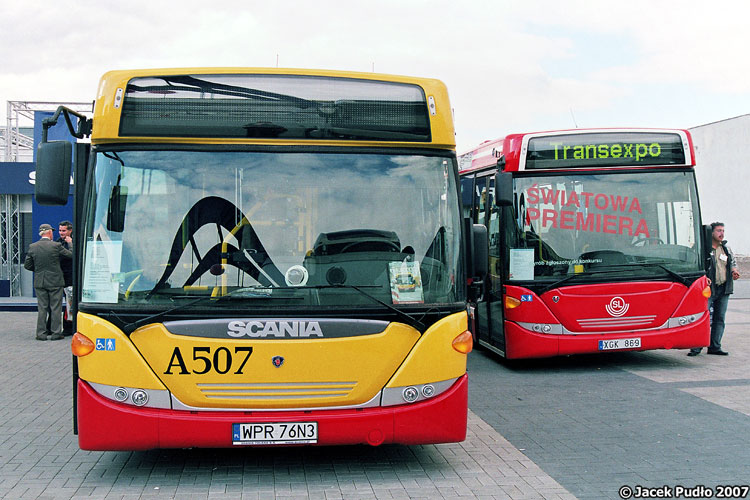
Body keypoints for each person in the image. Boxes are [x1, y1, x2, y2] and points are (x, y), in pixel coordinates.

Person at [689, 222, 740, 356]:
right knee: (703, 318)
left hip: (723, 288)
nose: (721, 234)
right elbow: (695, 265)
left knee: (720, 318)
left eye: (723, 231)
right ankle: (696, 347)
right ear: (711, 233)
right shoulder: (703, 248)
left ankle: (715, 346)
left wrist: (734, 271)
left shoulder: (726, 248)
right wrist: (703, 277)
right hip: (708, 289)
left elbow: (733, 263)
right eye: (718, 231)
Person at [23, 223, 72, 341]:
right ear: (49, 232)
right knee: (55, 308)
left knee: (42, 308)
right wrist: (70, 243)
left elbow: (27, 265)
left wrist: (39, 271)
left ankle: (41, 334)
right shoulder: (56, 245)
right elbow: (71, 255)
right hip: (55, 281)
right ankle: (56, 333)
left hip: (40, 281)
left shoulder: (33, 246)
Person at [57, 221, 74, 335]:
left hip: (72, 277)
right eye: (60, 230)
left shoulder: (74, 242)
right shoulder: (58, 243)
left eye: (64, 230)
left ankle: (71, 327)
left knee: (71, 303)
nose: (61, 233)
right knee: (66, 303)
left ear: (70, 231)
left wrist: (71, 244)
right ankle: (67, 328)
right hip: (61, 277)